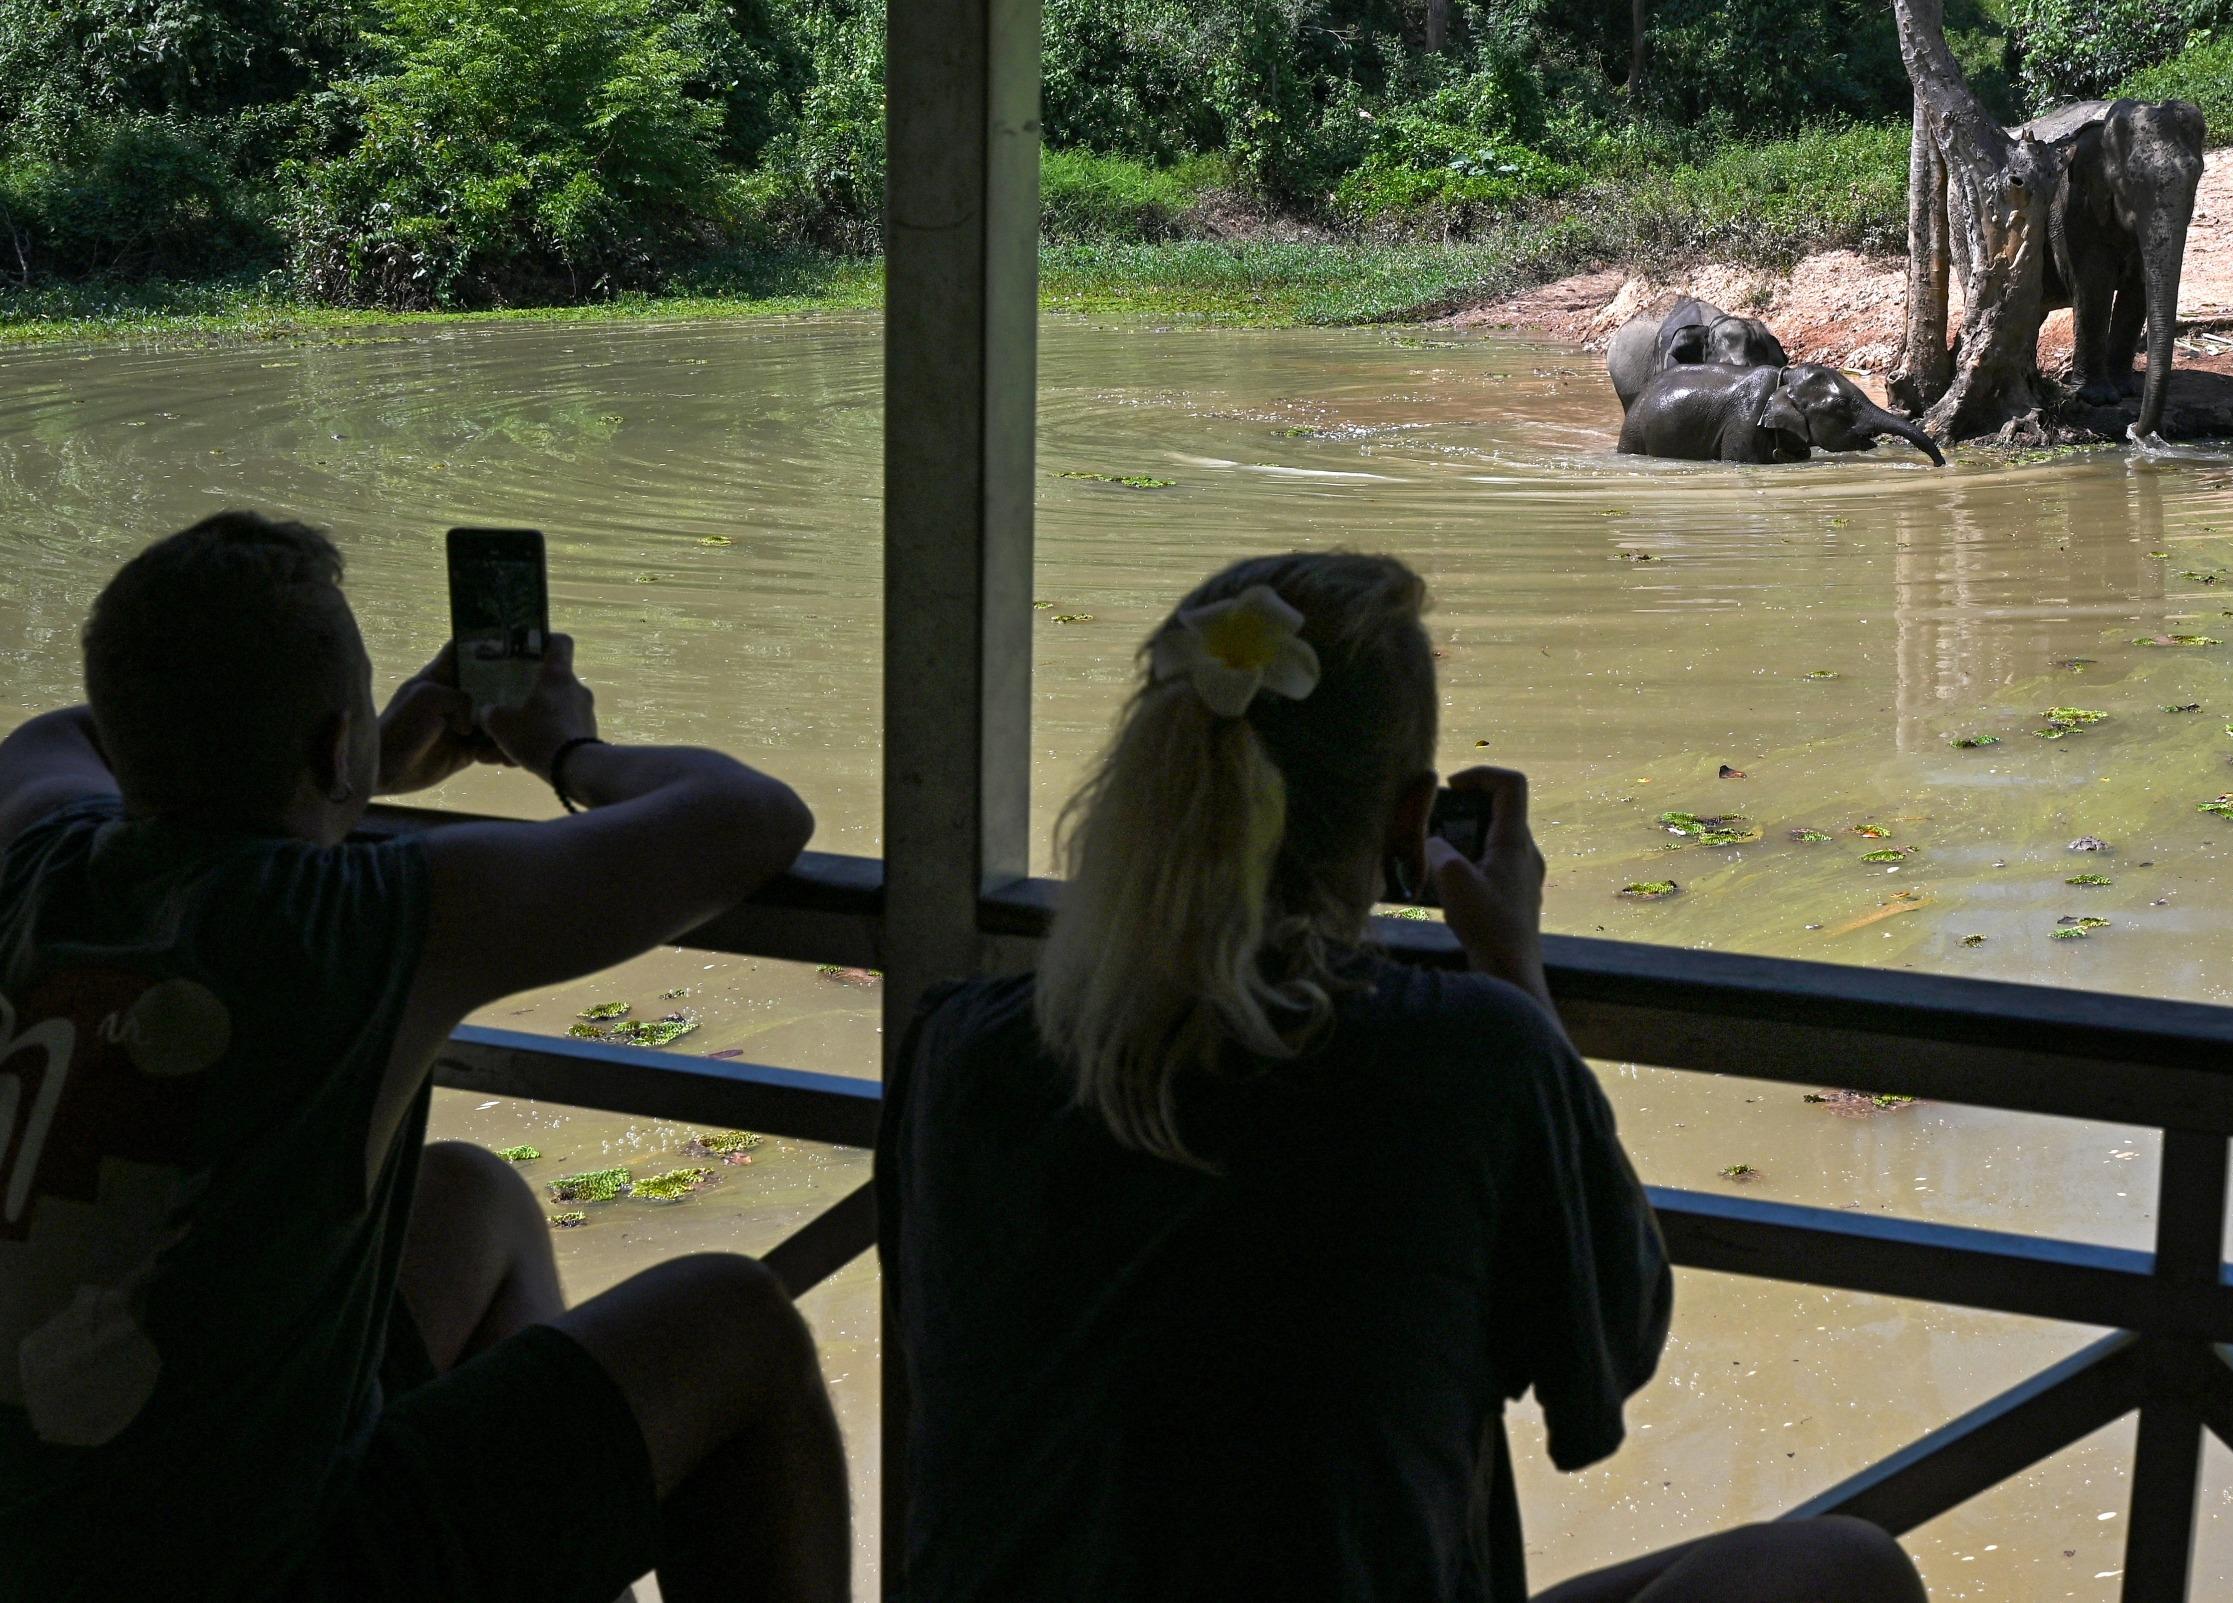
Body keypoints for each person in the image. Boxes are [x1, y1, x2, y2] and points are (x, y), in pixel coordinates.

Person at [879, 551, 1926, 1603]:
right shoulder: (1466, 1055)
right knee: (1842, 1570)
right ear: (1410, 822)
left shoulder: (958, 1049)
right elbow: (1608, 1352)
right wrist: (1517, 973)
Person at [0, 511, 849, 1602]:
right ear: (329, 745)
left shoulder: (38, 853)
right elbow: (754, 817)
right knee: (738, 1324)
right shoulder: (351, 920)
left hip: (52, 1536)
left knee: (472, 1198)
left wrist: (362, 759)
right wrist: (565, 750)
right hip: (252, 1568)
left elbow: (61, 734)